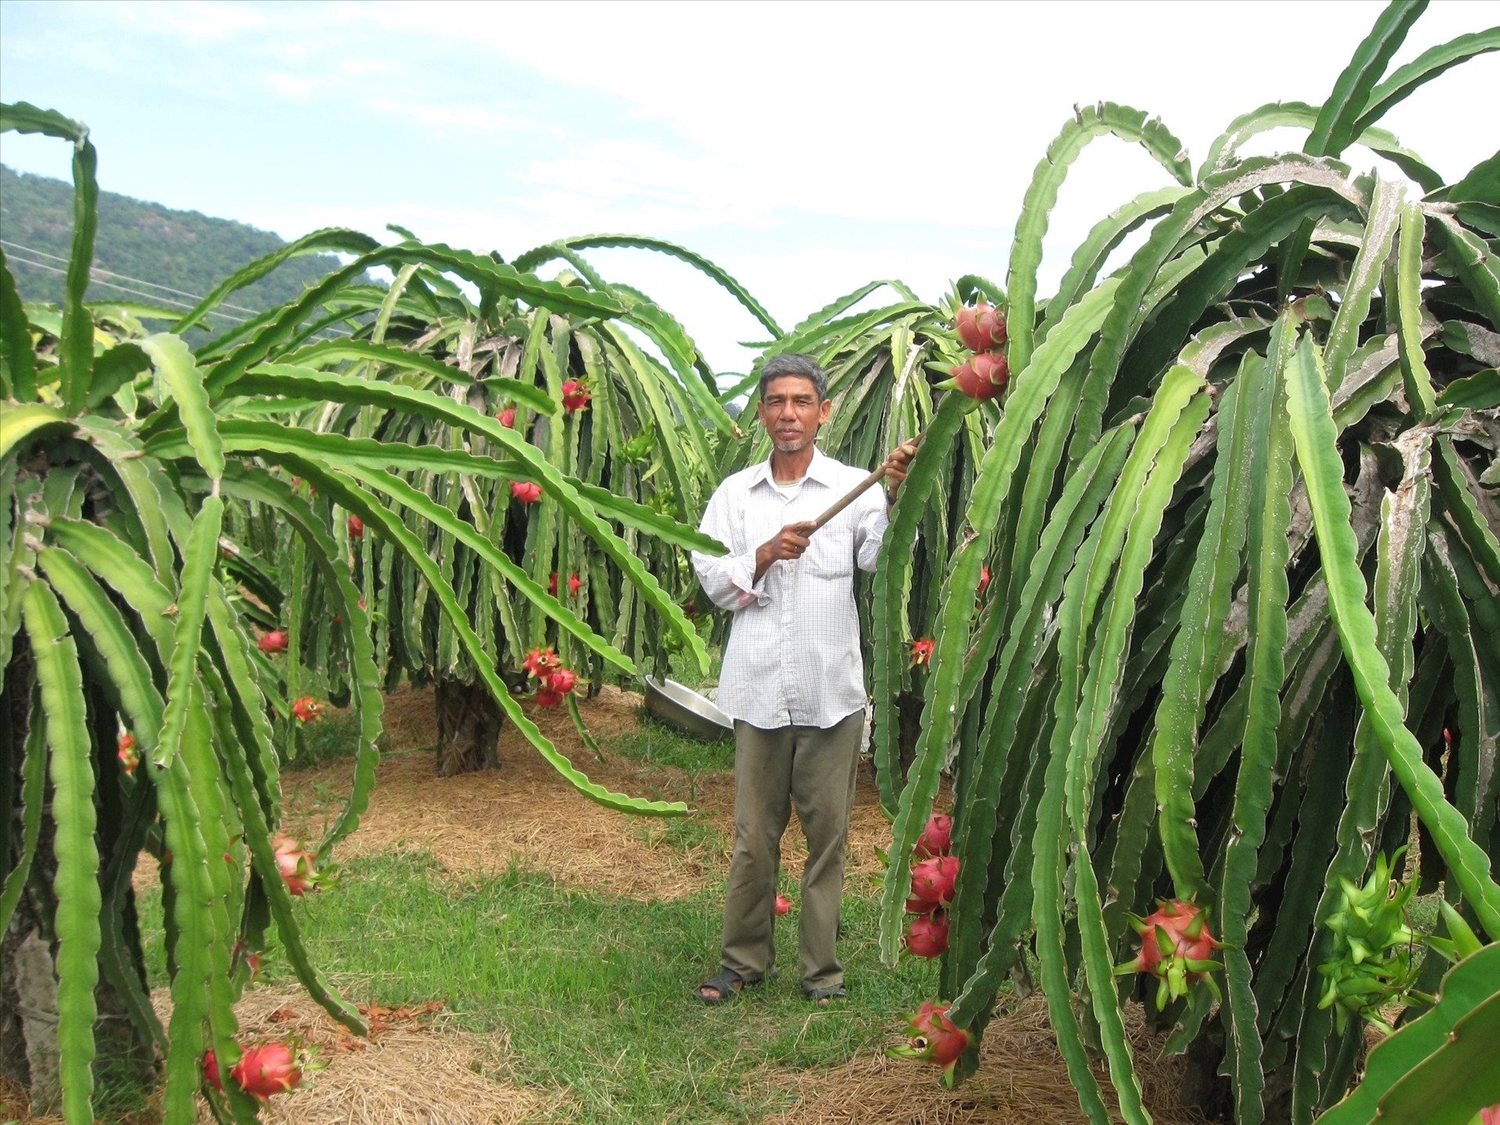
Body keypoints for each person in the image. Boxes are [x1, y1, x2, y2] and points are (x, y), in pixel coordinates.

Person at [690, 353, 917, 1004]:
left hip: (831, 694)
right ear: (761, 413)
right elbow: (711, 581)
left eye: (801, 401)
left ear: (823, 410)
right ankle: (741, 960)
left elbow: (883, 555)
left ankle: (822, 971)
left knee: (827, 839)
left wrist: (897, 490)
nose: (788, 413)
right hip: (759, 694)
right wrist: (762, 555)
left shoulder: (855, 487)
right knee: (753, 839)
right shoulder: (736, 496)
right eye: (776, 401)